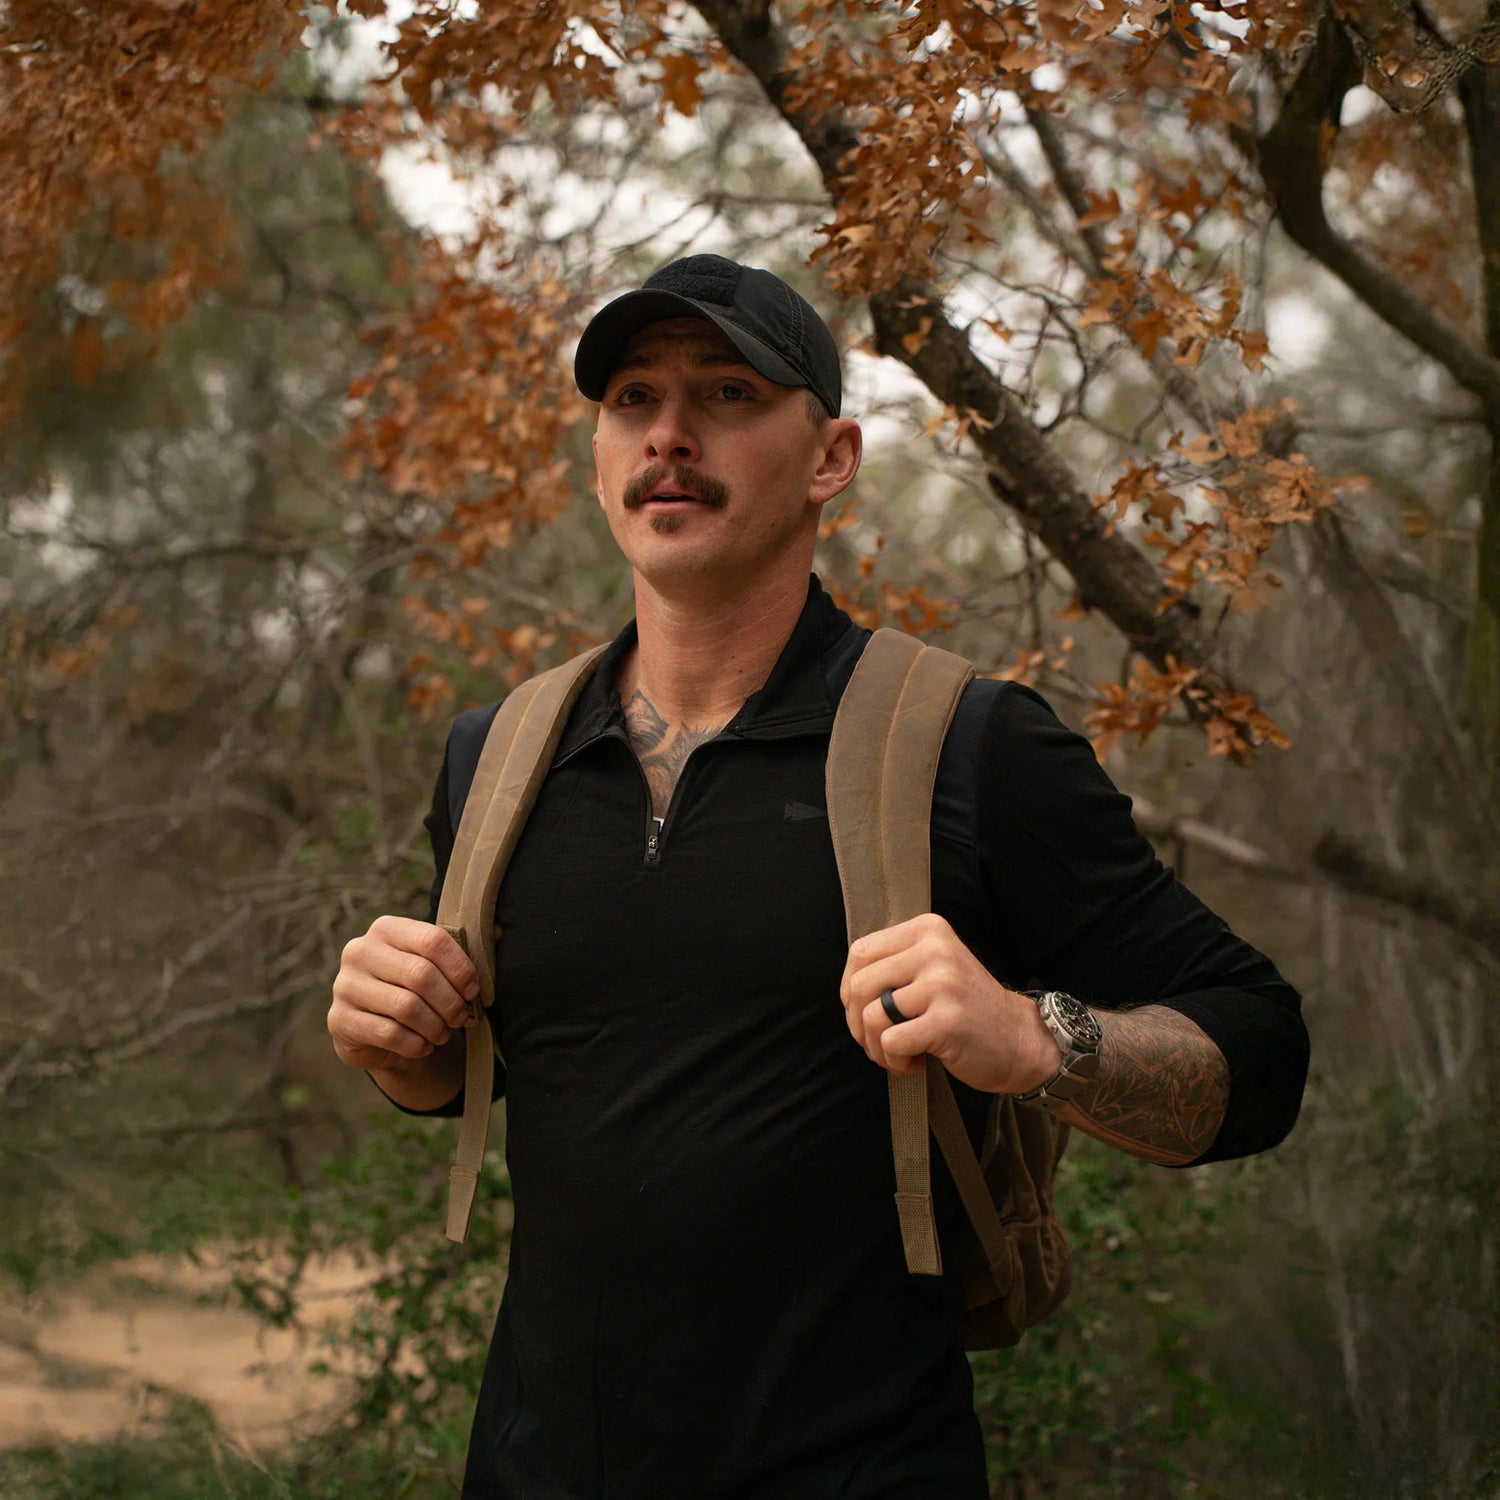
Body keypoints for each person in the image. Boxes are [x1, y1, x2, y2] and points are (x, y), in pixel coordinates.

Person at [328, 253, 1309, 1498]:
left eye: (728, 393)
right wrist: (397, 1046)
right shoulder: (500, 753)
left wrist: (1033, 1041)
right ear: (598, 453)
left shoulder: (970, 747)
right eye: (633, 399)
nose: (669, 434)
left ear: (832, 458)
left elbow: (1262, 1051)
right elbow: (504, 1066)